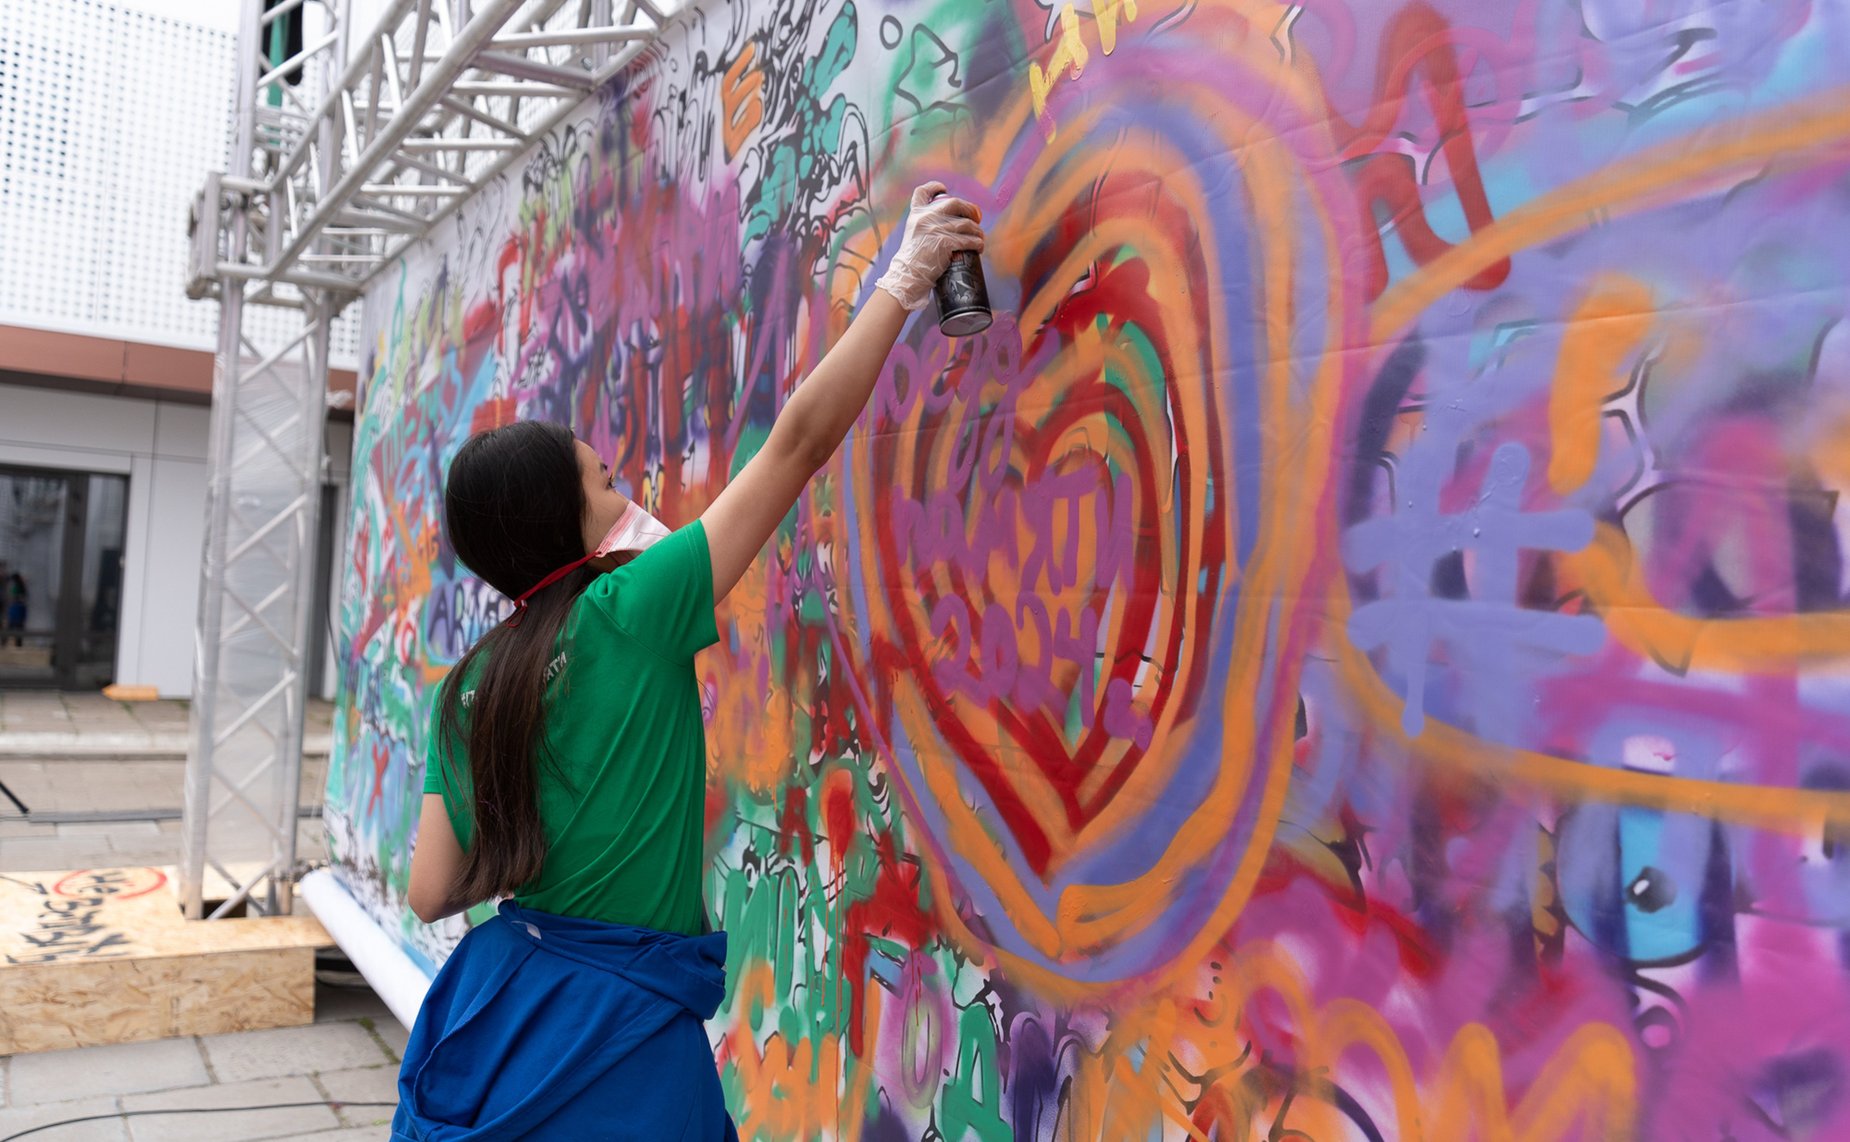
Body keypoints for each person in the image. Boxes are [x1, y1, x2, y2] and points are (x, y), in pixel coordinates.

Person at [392, 182, 985, 1140]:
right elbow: (797, 441)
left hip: (506, 1008)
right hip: (620, 1028)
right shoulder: (634, 609)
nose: (626, 488)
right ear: (563, 520)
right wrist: (903, 279)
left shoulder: (469, 689)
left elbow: (429, 892)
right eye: (607, 481)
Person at [4, 571, 26, 648]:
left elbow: (13, 597)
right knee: (18, 627)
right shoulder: (21, 586)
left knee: (11, 626)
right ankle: (18, 644)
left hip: (16, 608)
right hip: (20, 609)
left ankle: (4, 642)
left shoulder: (17, 586)